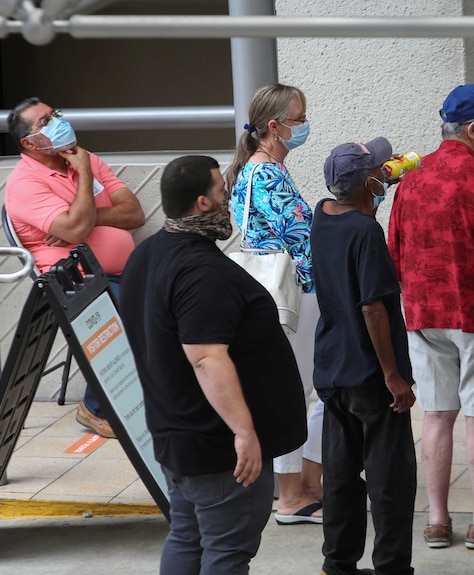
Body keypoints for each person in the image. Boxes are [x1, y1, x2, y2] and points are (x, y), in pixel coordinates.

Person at [119, 155, 307, 574]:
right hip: (218, 450)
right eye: (223, 192)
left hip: (178, 437)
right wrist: (244, 432)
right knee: (226, 550)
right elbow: (206, 357)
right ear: (203, 203)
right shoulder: (202, 271)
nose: (229, 201)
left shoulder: (146, 255)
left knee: (188, 535)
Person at [388, 83, 474, 550]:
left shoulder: (409, 179)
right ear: (473, 129)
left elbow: (395, 253)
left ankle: (436, 521)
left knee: (436, 416)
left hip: (423, 314)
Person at [5, 97, 145, 439]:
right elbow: (75, 231)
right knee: (129, 314)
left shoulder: (87, 158)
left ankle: (154, 398)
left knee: (174, 301)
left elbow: (133, 213)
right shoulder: (25, 184)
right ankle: (95, 408)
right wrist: (83, 177)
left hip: (122, 271)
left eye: (55, 115)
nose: (56, 122)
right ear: (29, 143)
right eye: (44, 121)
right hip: (73, 280)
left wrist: (83, 217)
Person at [313, 137, 417, 575]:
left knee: (339, 476)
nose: (387, 171)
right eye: (380, 169)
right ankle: (392, 566)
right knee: (390, 480)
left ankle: (338, 564)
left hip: (332, 369)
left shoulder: (322, 216)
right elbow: (373, 306)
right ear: (366, 182)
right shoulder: (365, 232)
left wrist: (371, 192)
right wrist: (393, 375)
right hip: (371, 374)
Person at [226, 83, 324, 524]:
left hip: (275, 294)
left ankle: (301, 489)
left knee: (302, 389)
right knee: (308, 391)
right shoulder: (267, 174)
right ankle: (295, 494)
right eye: (299, 119)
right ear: (274, 126)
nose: (304, 126)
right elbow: (304, 240)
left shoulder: (252, 169)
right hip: (297, 293)